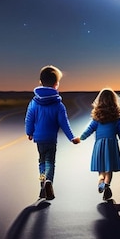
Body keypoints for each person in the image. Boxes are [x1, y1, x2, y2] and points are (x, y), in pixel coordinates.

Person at [25, 65, 80, 200]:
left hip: (39, 139)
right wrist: (72, 137)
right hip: (51, 139)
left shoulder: (34, 102)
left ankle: (42, 183)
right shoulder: (58, 104)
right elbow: (64, 123)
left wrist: (29, 132)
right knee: (50, 162)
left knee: (41, 162)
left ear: (40, 82)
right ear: (56, 85)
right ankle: (49, 181)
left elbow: (29, 118)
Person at [77, 88, 120, 200]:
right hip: (111, 145)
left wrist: (80, 138)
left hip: (99, 146)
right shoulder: (116, 118)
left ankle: (101, 181)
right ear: (114, 101)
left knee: (101, 169)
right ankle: (107, 185)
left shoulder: (97, 118)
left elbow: (88, 130)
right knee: (109, 170)